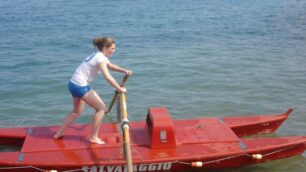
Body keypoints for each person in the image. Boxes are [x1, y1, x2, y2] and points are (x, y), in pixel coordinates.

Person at [54, 37, 132, 144]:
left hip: (72, 84)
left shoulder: (98, 55)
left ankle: (58, 133)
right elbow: (108, 77)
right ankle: (93, 137)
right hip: (80, 86)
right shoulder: (100, 59)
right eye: (112, 48)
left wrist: (124, 71)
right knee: (101, 109)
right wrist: (120, 89)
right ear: (105, 48)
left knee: (76, 112)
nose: (114, 51)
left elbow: (110, 66)